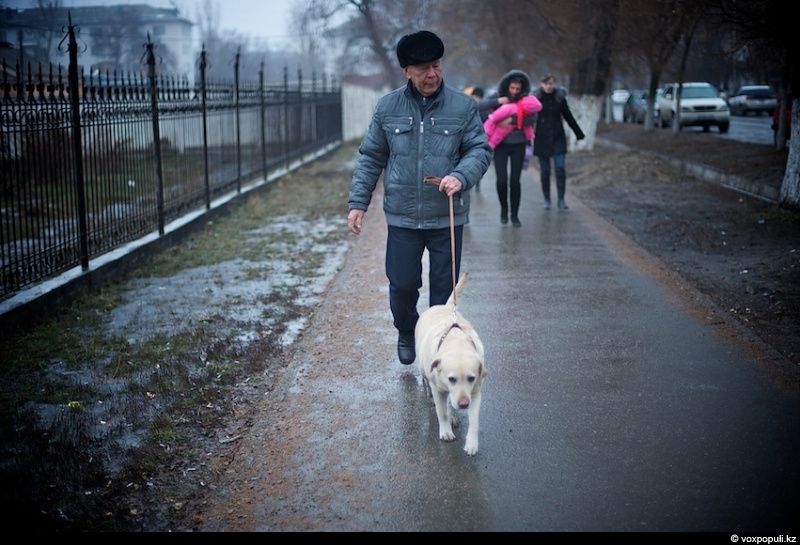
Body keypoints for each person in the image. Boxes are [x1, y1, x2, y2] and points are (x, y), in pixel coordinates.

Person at [347, 30, 492, 366]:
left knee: (443, 294)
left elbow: (479, 150)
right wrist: (358, 204)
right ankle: (406, 330)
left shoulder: (463, 106)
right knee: (402, 285)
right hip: (403, 216)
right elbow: (371, 157)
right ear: (407, 71)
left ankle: (439, 350)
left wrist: (460, 176)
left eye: (437, 65)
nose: (432, 74)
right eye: (424, 68)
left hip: (447, 216)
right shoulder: (387, 108)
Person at [479, 70, 539, 226]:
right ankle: (504, 210)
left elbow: (533, 117)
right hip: (500, 146)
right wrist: (499, 101)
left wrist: (512, 119)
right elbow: (480, 107)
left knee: (515, 181)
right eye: (512, 88)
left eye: (517, 89)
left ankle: (515, 215)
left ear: (522, 88)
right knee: (501, 180)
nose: (514, 92)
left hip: (518, 144)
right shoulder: (498, 96)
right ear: (507, 86)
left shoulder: (527, 100)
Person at [532, 74, 585, 210]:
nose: (549, 86)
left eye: (551, 83)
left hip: (558, 138)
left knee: (560, 169)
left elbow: (568, 116)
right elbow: (529, 118)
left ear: (554, 84)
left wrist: (578, 133)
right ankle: (547, 200)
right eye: (546, 83)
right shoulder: (536, 98)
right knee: (545, 171)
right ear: (541, 84)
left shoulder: (559, 98)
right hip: (542, 138)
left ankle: (561, 199)